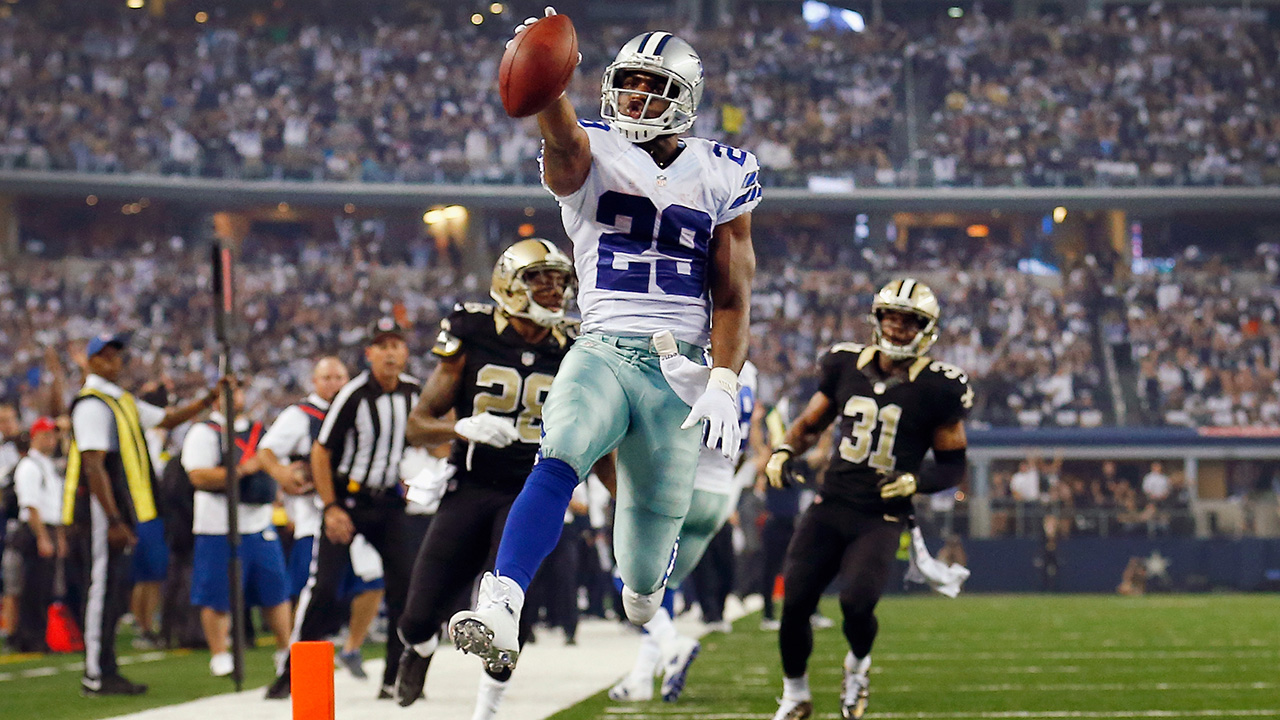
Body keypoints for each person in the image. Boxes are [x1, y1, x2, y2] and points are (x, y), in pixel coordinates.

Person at [449, 8, 759, 679]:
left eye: (652, 88)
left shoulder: (724, 171)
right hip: (603, 347)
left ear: (684, 99)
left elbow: (732, 297)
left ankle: (647, 585)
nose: (634, 100)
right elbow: (561, 141)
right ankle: (503, 599)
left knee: (642, 585)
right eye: (627, 85)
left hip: (678, 370)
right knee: (560, 448)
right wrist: (544, 75)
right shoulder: (592, 148)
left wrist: (724, 382)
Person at [395, 238, 591, 718]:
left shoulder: (572, 346)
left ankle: (489, 705)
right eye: (539, 278)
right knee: (418, 615)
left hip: (531, 492)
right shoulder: (473, 331)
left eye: (559, 279)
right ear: (509, 283)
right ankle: (418, 650)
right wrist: (458, 425)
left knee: (507, 604)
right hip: (471, 487)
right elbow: (417, 424)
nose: (553, 289)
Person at [763, 279, 972, 720]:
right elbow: (810, 424)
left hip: (881, 513)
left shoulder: (939, 386)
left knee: (857, 603)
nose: (897, 329)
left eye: (908, 321)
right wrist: (784, 450)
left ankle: (857, 666)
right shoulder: (843, 364)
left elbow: (954, 466)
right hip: (831, 503)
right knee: (796, 602)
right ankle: (795, 694)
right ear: (877, 320)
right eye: (891, 318)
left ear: (925, 328)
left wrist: (916, 482)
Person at [267, 318, 421, 700]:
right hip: (347, 500)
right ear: (369, 354)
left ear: (405, 352)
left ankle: (394, 679)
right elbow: (321, 452)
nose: (389, 353)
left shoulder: (415, 392)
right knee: (324, 590)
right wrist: (332, 506)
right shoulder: (352, 396)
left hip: (387, 499)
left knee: (407, 585)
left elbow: (431, 435)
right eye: (381, 346)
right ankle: (294, 674)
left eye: (396, 345)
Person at [64, 332, 224, 696]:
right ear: (90, 362)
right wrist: (114, 519)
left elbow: (168, 419)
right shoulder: (92, 404)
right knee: (102, 588)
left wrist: (209, 399)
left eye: (117, 355)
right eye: (104, 356)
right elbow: (94, 466)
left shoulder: (120, 401)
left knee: (114, 590)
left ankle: (106, 669)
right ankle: (95, 673)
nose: (114, 361)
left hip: (121, 509)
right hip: (103, 511)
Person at [609, 356, 758, 704]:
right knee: (665, 587)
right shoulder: (746, 369)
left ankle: (670, 643)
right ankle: (643, 677)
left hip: (683, 488)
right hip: (719, 495)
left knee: (629, 576)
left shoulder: (693, 356)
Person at [257, 356, 385, 680]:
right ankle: (292, 661)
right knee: (313, 592)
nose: (333, 383)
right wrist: (283, 473)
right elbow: (266, 450)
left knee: (374, 580)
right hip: (315, 519)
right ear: (314, 382)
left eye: (339, 376)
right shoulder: (300, 415)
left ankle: (351, 647)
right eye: (326, 377)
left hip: (357, 513)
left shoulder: (358, 409)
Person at [181, 382, 292, 678]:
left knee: (275, 590)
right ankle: (219, 652)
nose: (235, 398)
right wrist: (242, 470)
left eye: (239, 392)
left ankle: (285, 650)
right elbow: (198, 475)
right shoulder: (204, 432)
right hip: (218, 524)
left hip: (259, 521)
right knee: (217, 592)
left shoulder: (260, 431)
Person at [8, 417, 66, 652]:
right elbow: (30, 505)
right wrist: (42, 536)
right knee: (32, 586)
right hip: (35, 530)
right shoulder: (29, 466)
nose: (51, 440)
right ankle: (29, 637)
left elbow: (56, 505)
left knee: (45, 587)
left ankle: (38, 636)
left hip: (49, 528)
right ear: (34, 437)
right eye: (45, 435)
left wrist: (59, 537)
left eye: (53, 435)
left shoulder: (48, 466)